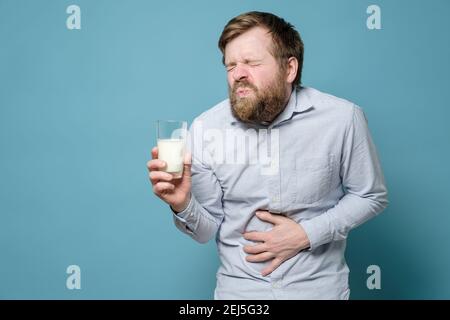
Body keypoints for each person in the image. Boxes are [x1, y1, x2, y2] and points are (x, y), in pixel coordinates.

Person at [147, 11, 388, 299]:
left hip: (319, 292)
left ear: (289, 69)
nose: (238, 74)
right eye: (231, 65)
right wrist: (182, 203)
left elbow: (371, 195)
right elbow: (204, 230)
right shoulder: (205, 127)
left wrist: (306, 235)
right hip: (239, 296)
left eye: (251, 62)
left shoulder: (342, 119)